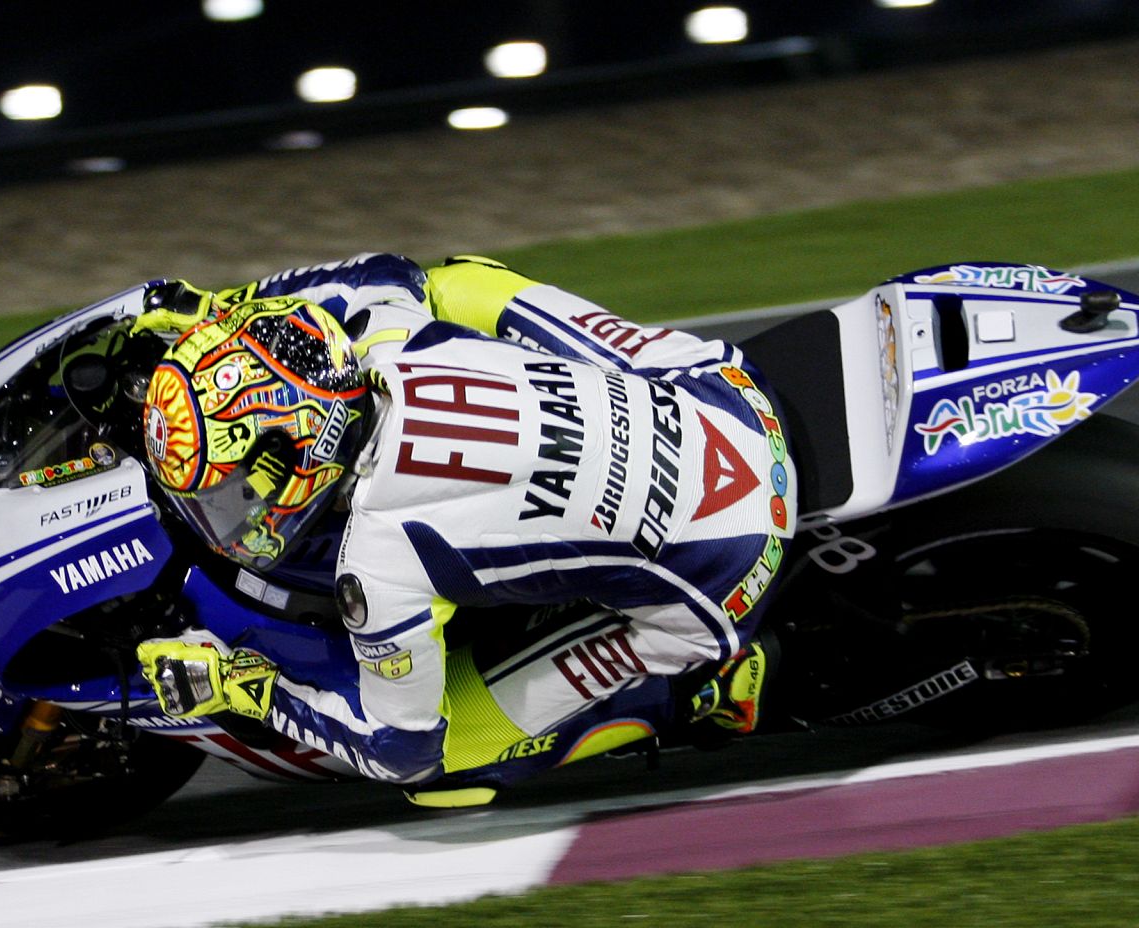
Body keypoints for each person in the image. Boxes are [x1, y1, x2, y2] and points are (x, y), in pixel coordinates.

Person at [133, 253, 798, 804]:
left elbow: (401, 751)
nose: (225, 513)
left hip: (725, 569)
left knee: (450, 765)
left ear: (301, 451)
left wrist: (241, 685)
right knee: (456, 281)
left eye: (230, 492)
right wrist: (225, 307)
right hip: (729, 394)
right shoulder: (390, 340)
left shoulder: (380, 562)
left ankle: (700, 691)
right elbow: (384, 271)